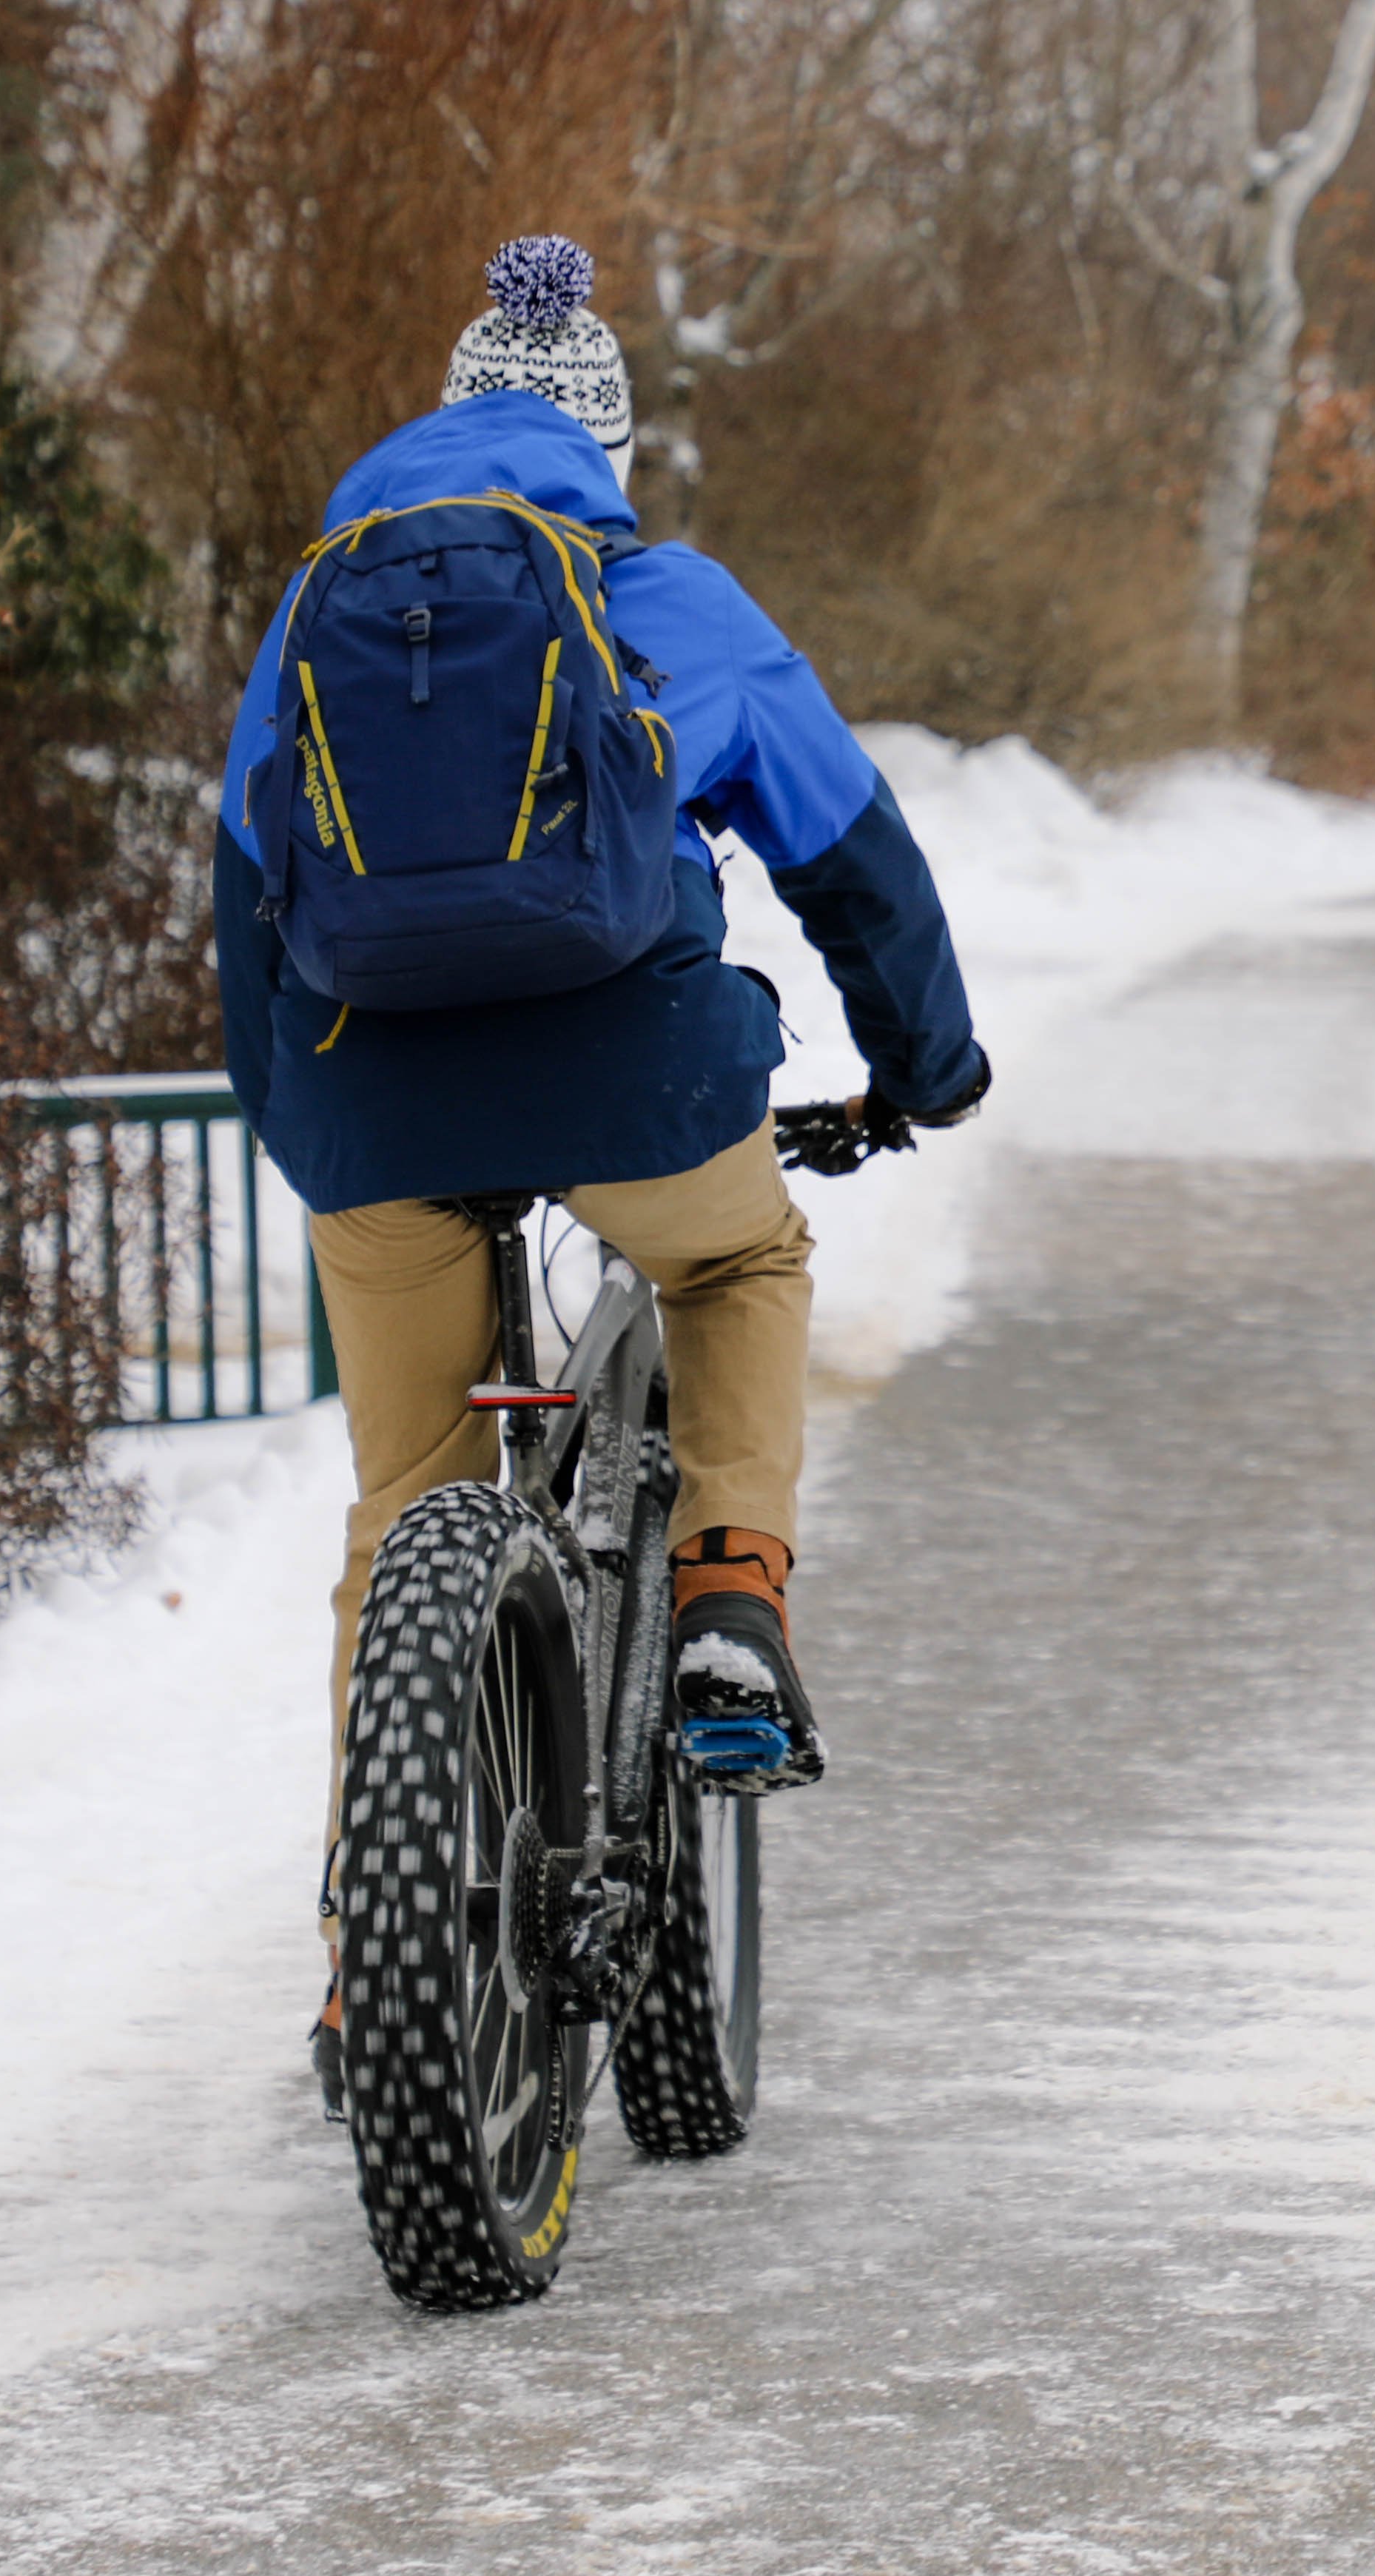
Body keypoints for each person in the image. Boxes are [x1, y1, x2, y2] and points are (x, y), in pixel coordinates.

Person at [218, 235, 989, 2020]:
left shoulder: (318, 609)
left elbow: (243, 894)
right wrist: (923, 1068)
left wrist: (307, 1125)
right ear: (607, 453)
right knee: (738, 1259)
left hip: (371, 1092)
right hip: (632, 1079)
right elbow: (854, 862)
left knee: (410, 1499)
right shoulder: (677, 601)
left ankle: (369, 1957)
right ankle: (726, 1589)